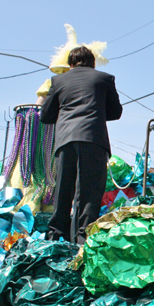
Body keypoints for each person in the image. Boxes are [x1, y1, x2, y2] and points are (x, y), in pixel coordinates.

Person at [40, 45, 122, 244]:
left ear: (70, 65)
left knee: (63, 190)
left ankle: (55, 237)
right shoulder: (105, 79)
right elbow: (116, 112)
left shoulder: (58, 80)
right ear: (93, 64)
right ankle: (82, 241)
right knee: (88, 194)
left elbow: (45, 115)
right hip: (94, 139)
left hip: (66, 140)